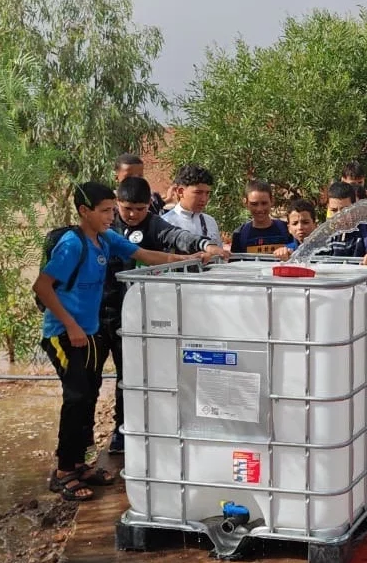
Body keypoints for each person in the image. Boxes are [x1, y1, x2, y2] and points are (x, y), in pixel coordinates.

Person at [33, 182, 205, 502]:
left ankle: (80, 464)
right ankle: (62, 472)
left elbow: (143, 254)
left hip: (91, 332)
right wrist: (70, 326)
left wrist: (189, 258)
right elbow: (43, 287)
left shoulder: (106, 239)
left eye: (113, 210)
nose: (112, 216)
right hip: (63, 334)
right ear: (84, 212)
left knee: (90, 396)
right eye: (105, 211)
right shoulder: (72, 244)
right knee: (77, 398)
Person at [102, 176, 226, 454]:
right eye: (127, 209)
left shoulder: (155, 224)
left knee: (130, 375)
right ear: (116, 204)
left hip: (135, 314)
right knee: (89, 383)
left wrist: (206, 246)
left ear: (149, 206)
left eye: (140, 209)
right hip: (100, 312)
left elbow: (179, 237)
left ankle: (125, 429)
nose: (133, 215)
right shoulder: (106, 224)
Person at [278, 182, 367, 264]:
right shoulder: (326, 232)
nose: (339, 215)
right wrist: (288, 253)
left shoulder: (365, 227)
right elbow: (308, 250)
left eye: (345, 210)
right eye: (334, 210)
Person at [162, 165, 221, 245]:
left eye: (207, 193)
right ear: (180, 192)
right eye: (198, 193)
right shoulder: (165, 222)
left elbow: (218, 255)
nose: (204, 199)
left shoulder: (210, 222)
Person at [231, 179, 292, 255]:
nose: (259, 209)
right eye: (254, 204)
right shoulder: (239, 234)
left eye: (264, 203)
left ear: (272, 201)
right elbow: (235, 265)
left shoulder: (287, 229)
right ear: (245, 203)